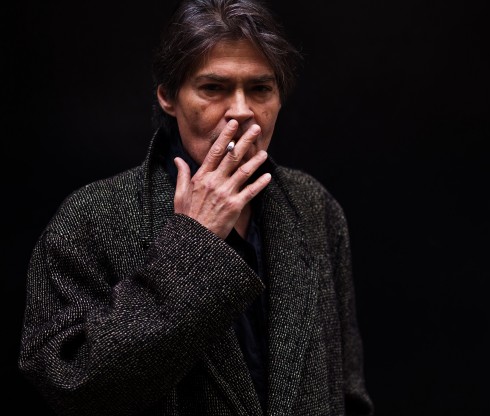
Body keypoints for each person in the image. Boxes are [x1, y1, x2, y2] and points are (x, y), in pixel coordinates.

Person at [17, 0, 374, 415]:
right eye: (213, 88)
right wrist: (194, 245)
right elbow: (71, 386)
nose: (241, 111)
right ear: (169, 97)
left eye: (260, 89)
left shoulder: (313, 206)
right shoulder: (91, 219)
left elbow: (347, 392)